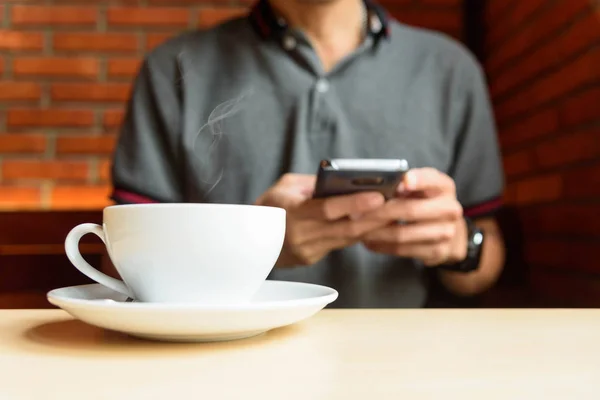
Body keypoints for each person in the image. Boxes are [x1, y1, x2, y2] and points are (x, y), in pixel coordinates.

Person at [109, 0, 506, 308]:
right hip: (218, 363)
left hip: (404, 366)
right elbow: (124, 269)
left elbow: (484, 259)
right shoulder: (174, 69)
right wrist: (256, 247)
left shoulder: (450, 69)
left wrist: (459, 246)